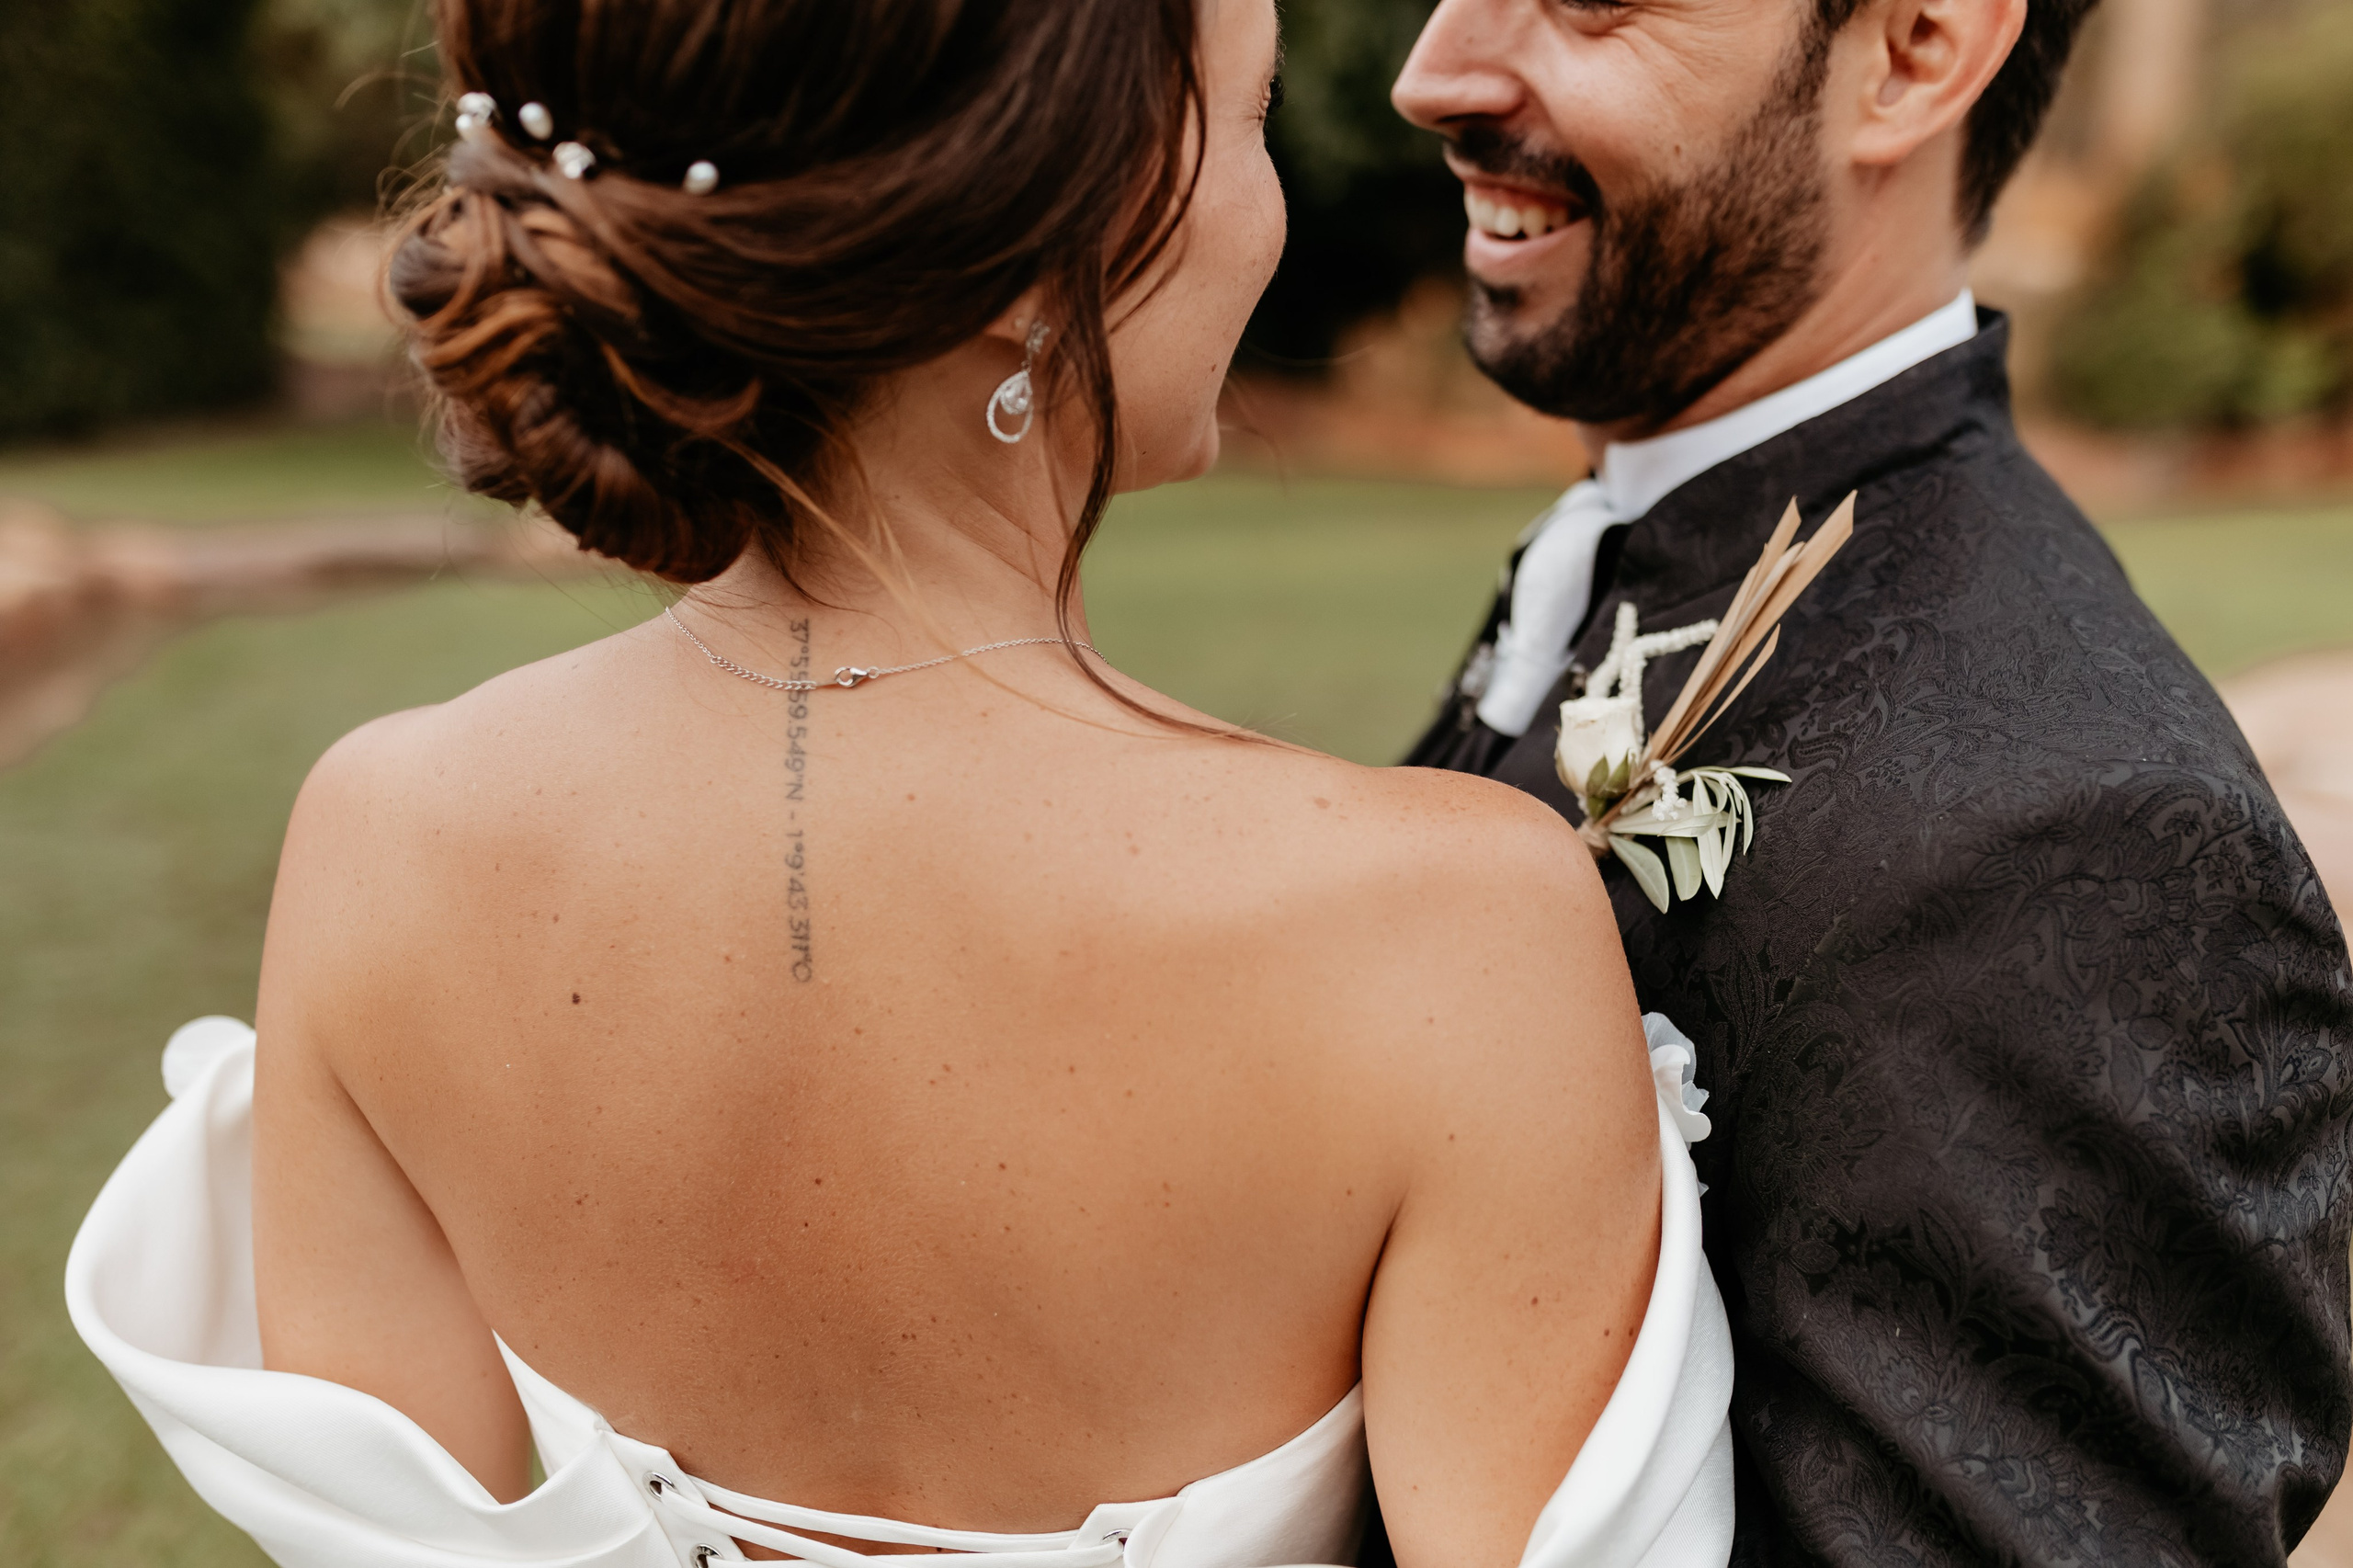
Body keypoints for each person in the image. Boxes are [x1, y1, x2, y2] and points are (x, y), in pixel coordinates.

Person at [66, 2, 1737, 1565]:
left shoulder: (382, 844)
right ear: (1047, 246)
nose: (1267, 207)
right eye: (1249, 118)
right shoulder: (1450, 939)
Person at [1390, 0, 2353, 1562]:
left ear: (1911, 50)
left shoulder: (2065, 838)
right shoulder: (1659, 534)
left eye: (1583, 0)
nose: (1431, 73)